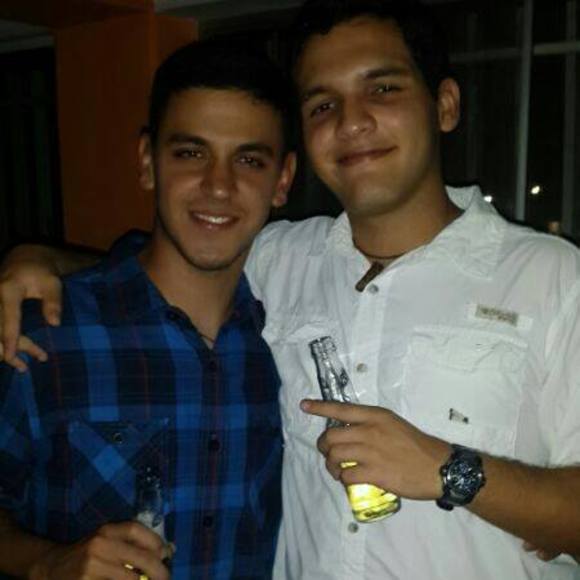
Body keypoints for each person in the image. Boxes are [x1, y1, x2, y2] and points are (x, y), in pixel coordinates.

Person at [1, 1, 580, 578]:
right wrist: (37, 260)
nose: (351, 122)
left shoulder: (553, 277)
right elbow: (176, 260)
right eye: (323, 104)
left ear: (445, 105)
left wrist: (448, 470)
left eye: (382, 89)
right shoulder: (282, 259)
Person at [0, 37, 296, 580]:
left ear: (282, 181)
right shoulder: (45, 330)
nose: (219, 186)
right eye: (191, 153)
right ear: (147, 162)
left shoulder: (291, 339)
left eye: (249, 160)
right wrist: (47, 562)